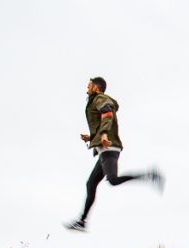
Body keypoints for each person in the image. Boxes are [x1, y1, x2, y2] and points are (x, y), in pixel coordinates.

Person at [64, 77, 163, 231]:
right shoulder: (97, 100)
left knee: (113, 180)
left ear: (96, 87)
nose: (87, 88)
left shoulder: (100, 98)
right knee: (91, 184)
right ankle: (82, 221)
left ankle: (150, 174)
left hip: (109, 149)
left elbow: (107, 113)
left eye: (89, 86)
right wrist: (92, 137)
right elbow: (103, 120)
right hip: (105, 150)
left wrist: (103, 134)